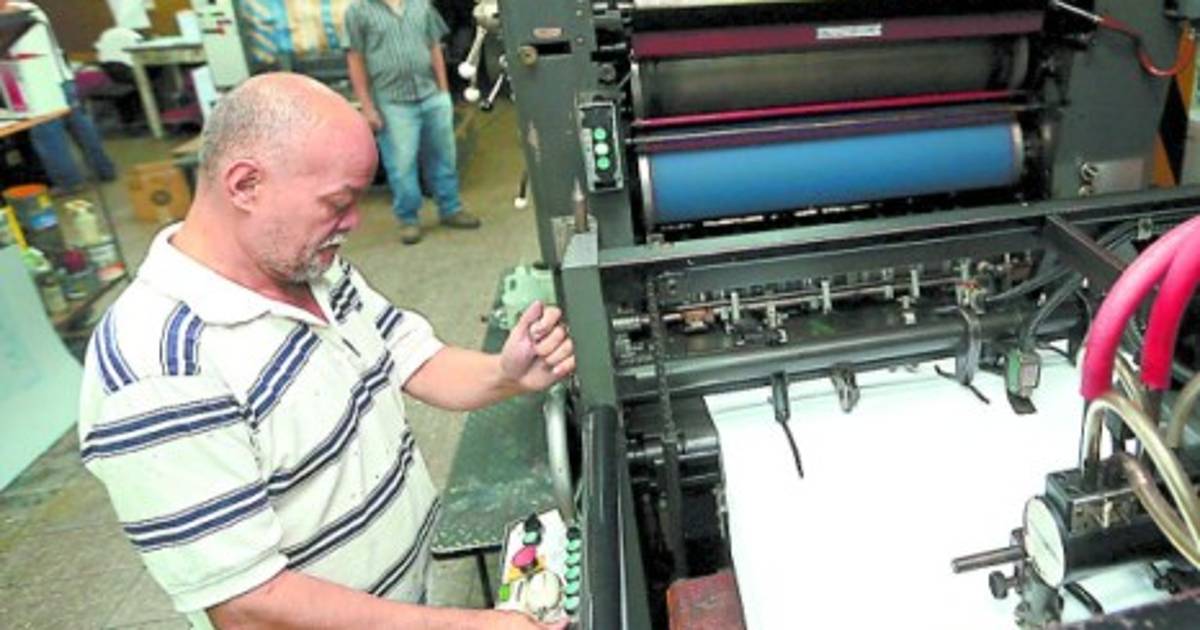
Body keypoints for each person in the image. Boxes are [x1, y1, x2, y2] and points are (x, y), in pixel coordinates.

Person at [78, 73, 572, 629]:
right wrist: (467, 626)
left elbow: (410, 355)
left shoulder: (312, 269)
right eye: (338, 202)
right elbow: (247, 605)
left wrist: (505, 373)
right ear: (245, 184)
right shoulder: (159, 370)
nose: (355, 221)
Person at [345, 0, 480, 245]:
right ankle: (408, 219)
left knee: (444, 157)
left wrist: (443, 92)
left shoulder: (421, 5)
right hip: (392, 102)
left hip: (431, 95)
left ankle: (451, 208)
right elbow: (356, 58)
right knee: (401, 165)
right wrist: (367, 106)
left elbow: (434, 46)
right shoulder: (358, 11)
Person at [0, 0, 117, 190]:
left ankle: (69, 183)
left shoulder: (18, 14)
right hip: (60, 78)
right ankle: (104, 170)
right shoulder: (30, 8)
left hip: (39, 85)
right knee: (81, 128)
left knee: (48, 137)